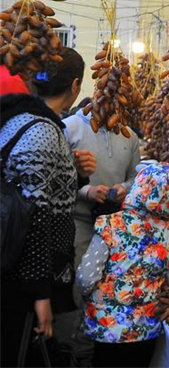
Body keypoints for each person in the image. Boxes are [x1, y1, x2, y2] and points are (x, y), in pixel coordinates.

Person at [0, 48, 96, 367]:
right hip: (18, 279)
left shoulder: (19, 119)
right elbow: (38, 214)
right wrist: (41, 295)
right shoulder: (43, 131)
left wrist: (74, 170)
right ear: (76, 86)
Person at [76, 163, 169, 368]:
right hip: (147, 329)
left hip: (108, 327)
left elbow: (86, 277)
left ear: (140, 186)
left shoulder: (111, 224)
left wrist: (87, 296)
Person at [63, 103, 141, 366]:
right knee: (82, 284)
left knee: (109, 289)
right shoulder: (71, 127)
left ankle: (100, 350)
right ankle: (80, 349)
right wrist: (86, 191)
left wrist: (123, 188)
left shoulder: (129, 135)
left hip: (116, 224)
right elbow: (58, 180)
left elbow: (135, 178)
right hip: (81, 221)